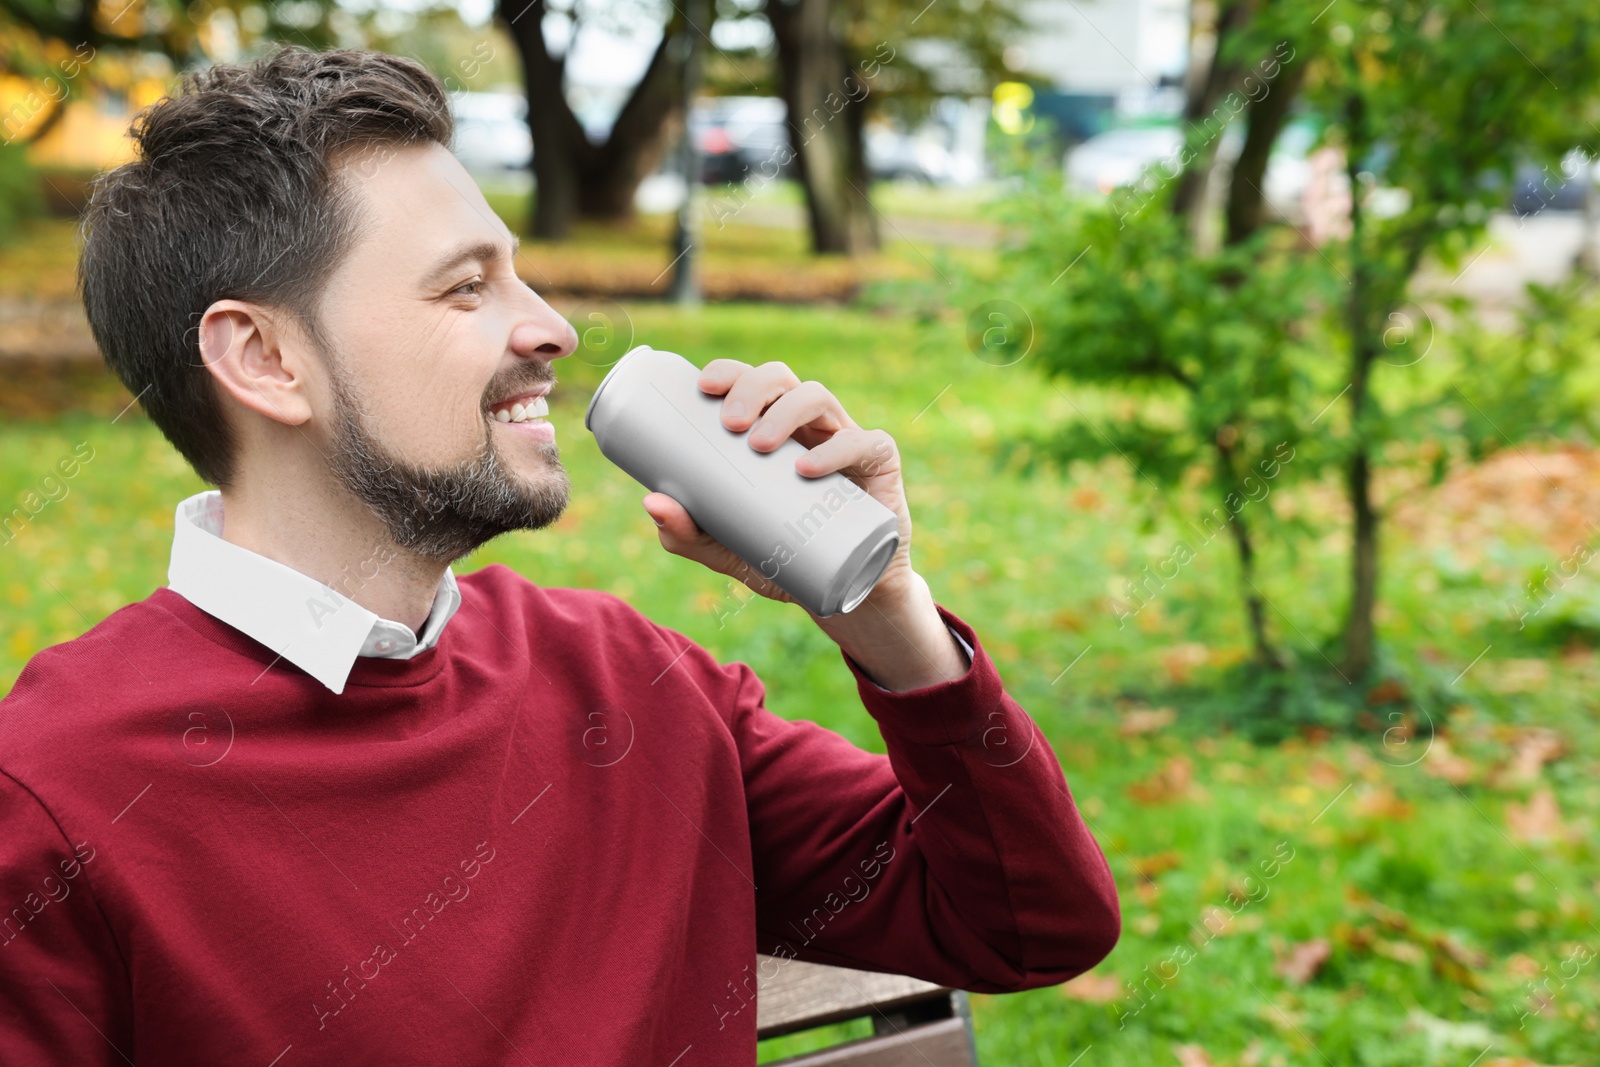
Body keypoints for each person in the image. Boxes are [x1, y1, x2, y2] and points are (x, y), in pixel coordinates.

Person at [0, 46, 1119, 1065]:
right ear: (265, 357)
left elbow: (1029, 921)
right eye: (465, 286)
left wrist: (882, 610)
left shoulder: (628, 680)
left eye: (519, 274)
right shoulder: (60, 790)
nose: (551, 327)